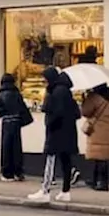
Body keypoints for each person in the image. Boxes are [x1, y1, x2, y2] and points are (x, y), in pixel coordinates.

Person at [28, 67, 79, 203]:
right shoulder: (66, 91)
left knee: (50, 160)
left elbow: (55, 113)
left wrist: (49, 121)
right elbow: (76, 113)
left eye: (45, 80)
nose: (44, 83)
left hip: (57, 132)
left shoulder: (56, 92)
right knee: (66, 162)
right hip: (68, 131)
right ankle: (65, 191)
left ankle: (45, 190)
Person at [0, 73, 32, 182]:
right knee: (16, 148)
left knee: (6, 149)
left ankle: (7, 173)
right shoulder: (17, 94)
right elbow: (23, 109)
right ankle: (18, 172)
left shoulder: (1, 94)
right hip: (16, 123)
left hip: (6, 123)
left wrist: (2, 113)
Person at [81, 83, 109, 191]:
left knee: (99, 158)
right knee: (102, 157)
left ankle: (101, 183)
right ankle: (100, 181)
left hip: (97, 128)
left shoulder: (94, 96)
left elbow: (85, 112)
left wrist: (85, 99)